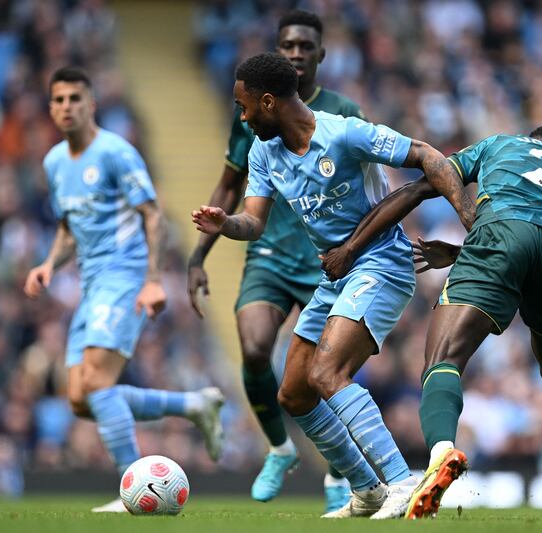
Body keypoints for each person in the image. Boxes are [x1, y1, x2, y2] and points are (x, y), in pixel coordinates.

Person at [192, 52, 462, 519]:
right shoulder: (263, 151)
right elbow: (253, 222)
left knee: (327, 374)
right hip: (334, 273)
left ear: (269, 101)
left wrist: (468, 216)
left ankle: (401, 483)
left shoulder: (344, 132)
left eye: (244, 106)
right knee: (294, 393)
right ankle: (367, 490)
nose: (242, 115)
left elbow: (426, 155)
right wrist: (225, 223)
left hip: (382, 263)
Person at [320, 124, 542, 521]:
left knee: (444, 357)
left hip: (498, 235)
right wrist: (465, 253)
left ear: (535, 138)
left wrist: (352, 247)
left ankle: (441, 453)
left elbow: (426, 186)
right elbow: (535, 243)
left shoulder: (503, 144)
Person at [24, 66, 225, 513]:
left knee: (97, 383)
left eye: (75, 98)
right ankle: (195, 405)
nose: (66, 107)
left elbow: (152, 215)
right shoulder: (55, 162)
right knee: (79, 399)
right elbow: (68, 227)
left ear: (91, 104)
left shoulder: (116, 153)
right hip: (91, 282)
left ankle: (131, 487)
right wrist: (47, 264)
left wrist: (153, 280)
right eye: (58, 100)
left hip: (125, 275)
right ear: (51, 106)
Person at [187, 10, 363, 512]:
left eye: (306, 45)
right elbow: (229, 185)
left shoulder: (343, 112)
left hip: (327, 260)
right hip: (268, 251)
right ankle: (280, 449)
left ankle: (337, 473)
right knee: (255, 346)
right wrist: (199, 254)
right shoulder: (252, 114)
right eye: (288, 44)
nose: (296, 52)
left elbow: (372, 189)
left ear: (320, 55)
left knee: (326, 370)